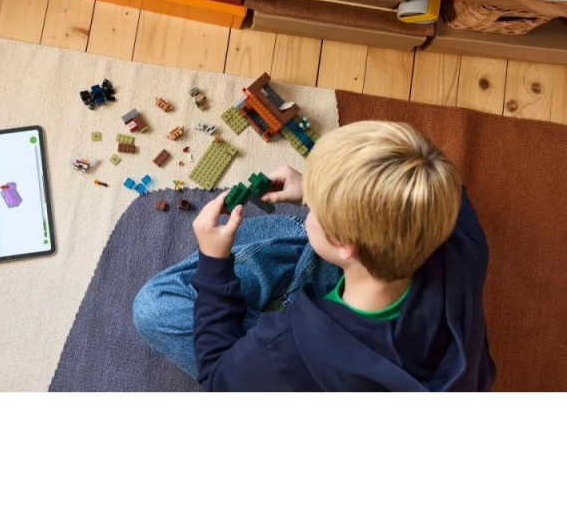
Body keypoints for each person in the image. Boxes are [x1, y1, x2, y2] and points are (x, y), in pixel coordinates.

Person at [132, 120, 495, 391]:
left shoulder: (291, 341)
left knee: (154, 306)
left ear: (344, 244)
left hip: (314, 356)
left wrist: (215, 263)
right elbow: (446, 185)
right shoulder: (462, 241)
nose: (310, 208)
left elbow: (219, 377)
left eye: (317, 209)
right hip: (418, 349)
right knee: (303, 238)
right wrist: (315, 191)